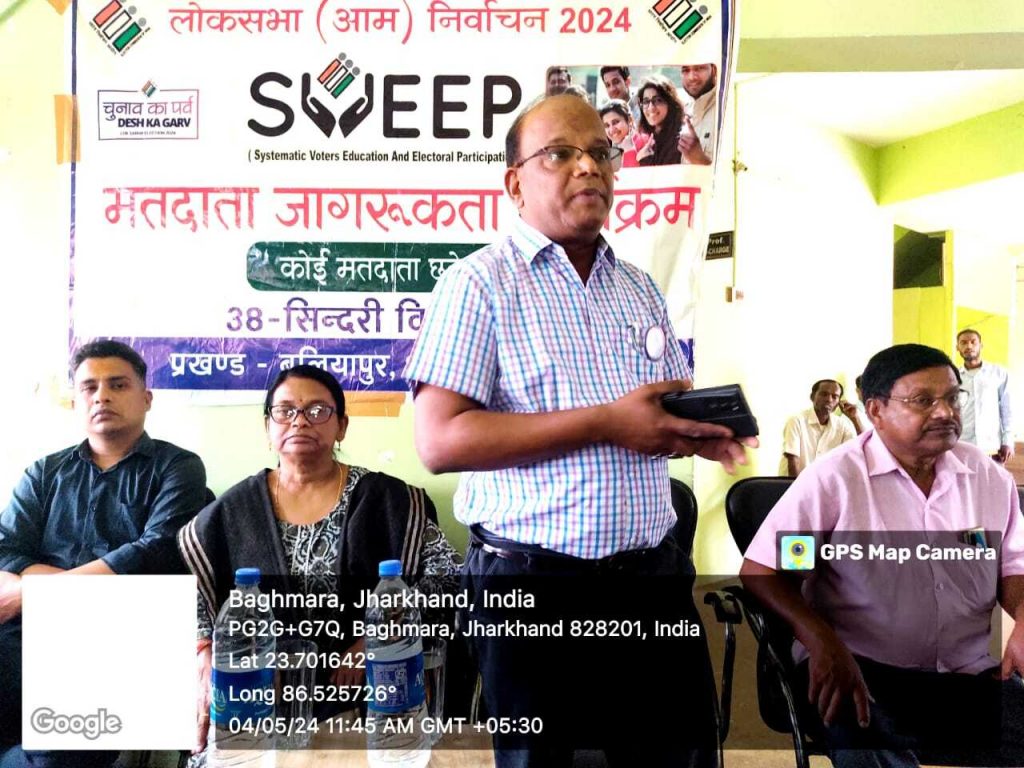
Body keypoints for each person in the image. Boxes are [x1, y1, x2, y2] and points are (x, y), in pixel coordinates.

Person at [404, 92, 755, 767]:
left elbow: (648, 414)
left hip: (651, 578)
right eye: (560, 154)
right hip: (531, 587)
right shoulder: (478, 285)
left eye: (600, 152)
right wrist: (607, 424)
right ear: (515, 184)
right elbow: (441, 442)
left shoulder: (638, 288)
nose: (588, 167)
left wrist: (690, 430)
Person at [741, 344, 1024, 767]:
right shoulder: (836, 481)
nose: (945, 412)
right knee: (870, 747)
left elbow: (1013, 564)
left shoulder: (985, 478)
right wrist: (821, 641)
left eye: (952, 397)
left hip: (966, 671)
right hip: (860, 670)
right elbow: (768, 571)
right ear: (875, 410)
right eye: (923, 400)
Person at [176, 364, 461, 762]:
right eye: (285, 411)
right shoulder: (233, 509)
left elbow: (448, 576)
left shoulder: (388, 500)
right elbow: (194, 590)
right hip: (260, 697)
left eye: (317, 410)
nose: (300, 421)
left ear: (341, 426)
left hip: (368, 694)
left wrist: (381, 636)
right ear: (268, 427)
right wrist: (205, 649)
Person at [0, 340, 208, 768]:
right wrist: (60, 595)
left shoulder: (178, 467)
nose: (102, 396)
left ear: (146, 398)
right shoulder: (44, 473)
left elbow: (155, 551)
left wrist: (36, 592)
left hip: (122, 636)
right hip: (31, 632)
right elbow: (7, 550)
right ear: (76, 401)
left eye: (118, 384)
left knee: (55, 755)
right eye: (89, 387)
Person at [956, 329, 1014, 463]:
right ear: (957, 347)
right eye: (963, 343)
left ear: (981, 345)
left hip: (992, 446)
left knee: (993, 477)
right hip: (962, 445)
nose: (969, 346)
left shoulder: (998, 373)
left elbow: (1007, 409)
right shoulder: (954, 376)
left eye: (973, 342)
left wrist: (1007, 440)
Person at [780, 379, 857, 477]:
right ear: (812, 397)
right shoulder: (796, 421)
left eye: (834, 397)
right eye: (824, 394)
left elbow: (858, 453)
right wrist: (799, 487)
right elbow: (793, 461)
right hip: (793, 483)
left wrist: (855, 418)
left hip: (824, 484)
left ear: (839, 402)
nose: (829, 400)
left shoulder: (843, 426)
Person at [635, 74, 685, 166]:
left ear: (670, 102)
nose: (651, 108)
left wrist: (644, 160)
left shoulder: (680, 140)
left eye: (658, 100)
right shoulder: (644, 138)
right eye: (646, 101)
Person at [676, 63, 717, 165]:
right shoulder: (686, 111)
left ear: (714, 70)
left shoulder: (725, 108)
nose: (692, 77)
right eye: (686, 70)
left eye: (699, 68)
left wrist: (699, 158)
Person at [599, 100, 640, 168]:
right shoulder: (608, 151)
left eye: (615, 122)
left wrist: (629, 150)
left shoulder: (644, 143)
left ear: (629, 120)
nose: (611, 129)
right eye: (607, 125)